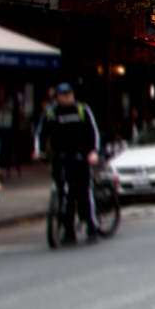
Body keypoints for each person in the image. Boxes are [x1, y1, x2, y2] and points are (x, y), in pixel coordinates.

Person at [33, 83, 103, 239]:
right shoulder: (51, 113)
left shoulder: (82, 110)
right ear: (56, 98)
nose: (67, 97)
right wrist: (38, 151)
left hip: (80, 157)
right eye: (63, 95)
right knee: (64, 194)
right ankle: (68, 229)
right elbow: (40, 133)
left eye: (69, 94)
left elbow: (93, 132)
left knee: (84, 192)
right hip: (60, 158)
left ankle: (91, 225)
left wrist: (93, 152)